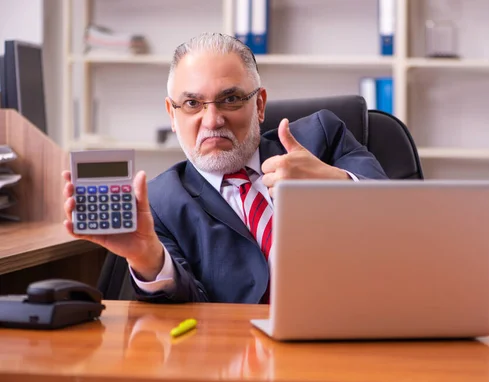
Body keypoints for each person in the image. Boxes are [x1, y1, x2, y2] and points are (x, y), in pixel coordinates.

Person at [62, 33, 389, 304]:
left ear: (259, 105)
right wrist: (148, 258)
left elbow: (402, 212)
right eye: (192, 104)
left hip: (353, 332)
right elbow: (190, 310)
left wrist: (335, 184)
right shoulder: (160, 205)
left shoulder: (321, 138)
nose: (213, 120)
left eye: (230, 99)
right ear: (171, 115)